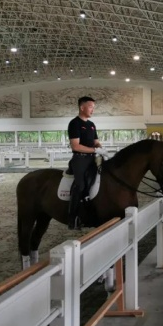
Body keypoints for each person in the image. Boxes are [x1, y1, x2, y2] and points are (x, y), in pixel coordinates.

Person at [67, 96, 102, 230]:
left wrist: (100, 148)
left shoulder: (91, 125)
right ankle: (72, 218)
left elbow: (95, 142)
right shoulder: (74, 123)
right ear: (82, 107)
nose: (93, 110)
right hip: (80, 159)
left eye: (93, 107)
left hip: (92, 158)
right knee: (80, 185)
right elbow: (75, 146)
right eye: (90, 107)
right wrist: (94, 150)